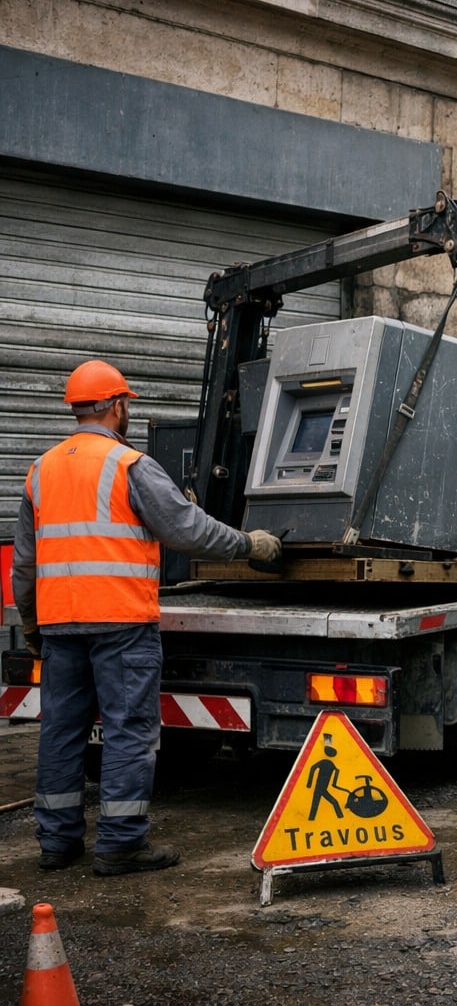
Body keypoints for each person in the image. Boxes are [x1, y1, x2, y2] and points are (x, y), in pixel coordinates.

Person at [10, 359, 284, 876]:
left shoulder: (40, 471)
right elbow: (187, 530)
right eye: (127, 404)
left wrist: (30, 625)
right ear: (116, 406)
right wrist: (249, 544)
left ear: (77, 409)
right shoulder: (129, 465)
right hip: (120, 624)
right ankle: (120, 844)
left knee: (60, 733)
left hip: (60, 627)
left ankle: (57, 844)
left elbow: (24, 564)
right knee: (129, 732)